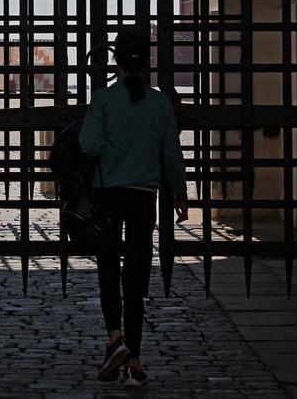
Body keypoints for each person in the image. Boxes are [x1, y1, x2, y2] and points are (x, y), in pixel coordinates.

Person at [78, 30, 189, 388]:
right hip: (144, 196)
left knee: (108, 267)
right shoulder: (160, 104)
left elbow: (89, 144)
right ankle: (136, 361)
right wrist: (180, 193)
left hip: (108, 194)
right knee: (137, 276)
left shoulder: (104, 99)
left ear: (117, 62)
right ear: (147, 63)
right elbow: (171, 151)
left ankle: (115, 339)